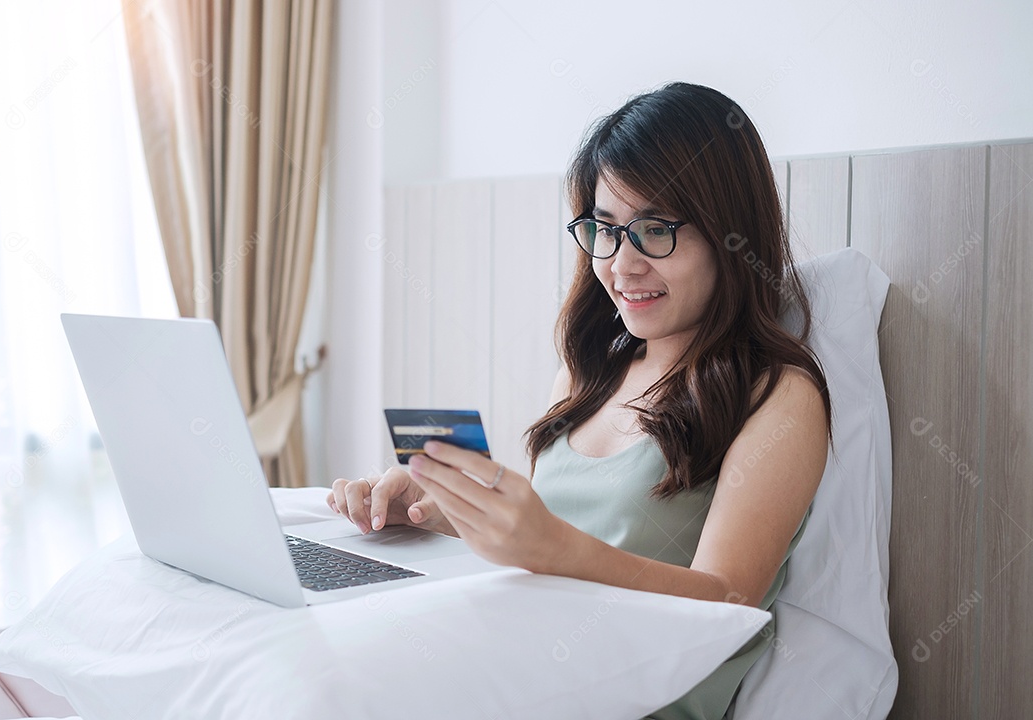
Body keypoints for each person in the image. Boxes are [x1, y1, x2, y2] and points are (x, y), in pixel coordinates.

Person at [327, 82, 830, 720]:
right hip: (520, 671)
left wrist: (552, 548)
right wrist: (435, 510)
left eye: (654, 229)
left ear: (731, 232)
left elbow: (726, 602)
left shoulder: (778, 392)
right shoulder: (592, 367)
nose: (621, 264)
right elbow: (554, 531)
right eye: (604, 229)